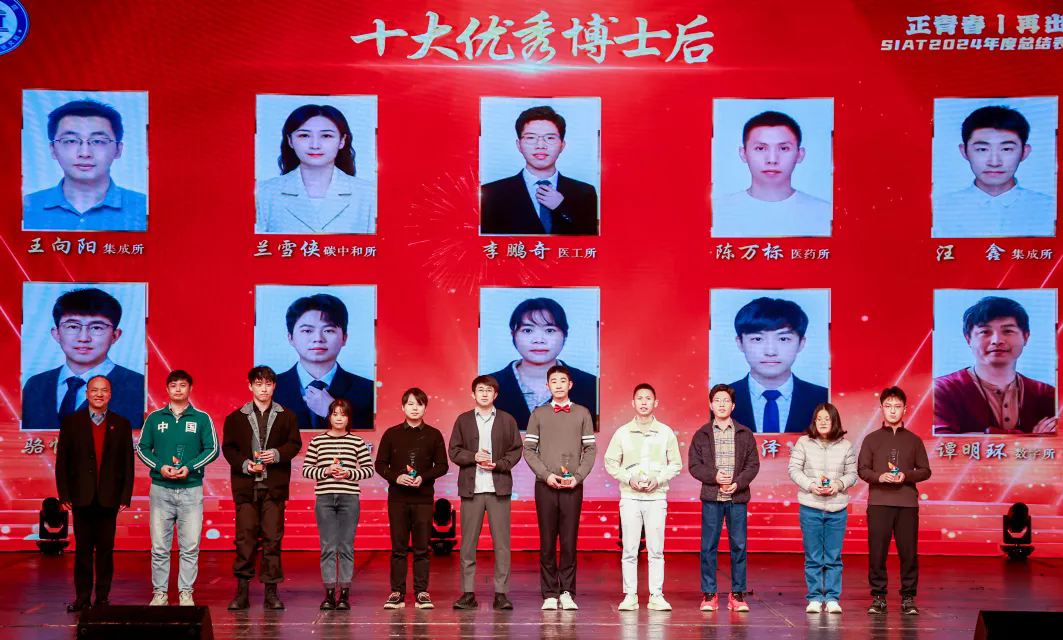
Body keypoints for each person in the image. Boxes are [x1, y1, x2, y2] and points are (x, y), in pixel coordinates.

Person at [221, 366, 303, 611]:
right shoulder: (235, 417)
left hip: (274, 488)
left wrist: (276, 454)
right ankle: (241, 593)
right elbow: (229, 449)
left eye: (268, 384)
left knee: (272, 540)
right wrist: (245, 464)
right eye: (259, 384)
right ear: (250, 386)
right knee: (245, 540)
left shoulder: (287, 416)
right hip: (246, 488)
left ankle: (271, 593)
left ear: (274, 386)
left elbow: (295, 444)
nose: (263, 389)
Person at [136, 370, 219, 607]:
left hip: (191, 490)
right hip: (161, 489)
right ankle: (160, 593)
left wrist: (189, 468)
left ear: (190, 389)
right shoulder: (155, 418)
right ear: (167, 389)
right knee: (159, 547)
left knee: (190, 546)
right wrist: (160, 467)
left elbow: (212, 449)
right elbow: (142, 448)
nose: (178, 389)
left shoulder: (201, 418)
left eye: (183, 385)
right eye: (174, 385)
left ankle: (186, 592)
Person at [54, 375, 134, 611]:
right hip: (81, 496)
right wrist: (64, 494)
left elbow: (127, 463)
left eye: (104, 390)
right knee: (83, 551)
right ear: (87, 393)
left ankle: (102, 597)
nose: (99, 394)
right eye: (95, 390)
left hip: (109, 497)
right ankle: (82, 597)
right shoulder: (72, 422)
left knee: (106, 552)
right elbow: (62, 462)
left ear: (110, 394)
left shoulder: (121, 424)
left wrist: (125, 496)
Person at [603, 383, 682, 611]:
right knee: (630, 549)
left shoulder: (665, 432)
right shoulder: (622, 432)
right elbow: (610, 462)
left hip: (656, 497)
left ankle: (656, 595)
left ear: (655, 403)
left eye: (648, 398)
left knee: (656, 550)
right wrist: (629, 479)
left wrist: (659, 479)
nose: (644, 402)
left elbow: (676, 464)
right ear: (633, 403)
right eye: (640, 398)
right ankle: (630, 595)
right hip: (630, 497)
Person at [523, 365, 596, 611]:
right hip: (545, 486)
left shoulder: (583, 413)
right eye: (553, 381)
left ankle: (566, 592)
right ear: (547, 386)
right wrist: (545, 475)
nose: (558, 385)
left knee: (568, 541)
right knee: (547, 541)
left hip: (572, 486)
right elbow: (529, 450)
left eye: (562, 380)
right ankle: (549, 594)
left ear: (570, 384)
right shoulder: (538, 413)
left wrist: (578, 477)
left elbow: (590, 449)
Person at [448, 375, 524, 611]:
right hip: (471, 490)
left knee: (502, 544)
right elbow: (454, 451)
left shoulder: (507, 420)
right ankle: (468, 593)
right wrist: (473, 457)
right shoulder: (463, 420)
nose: (484, 394)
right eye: (480, 390)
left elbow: (516, 450)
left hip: (498, 489)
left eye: (489, 390)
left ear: (495, 395)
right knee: (468, 544)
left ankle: (501, 594)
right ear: (473, 394)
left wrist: (499, 464)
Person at [22, 287, 145, 430]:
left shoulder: (140, 387)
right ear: (56, 334)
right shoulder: (35, 384)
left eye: (97, 328)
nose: (83, 338)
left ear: (115, 336)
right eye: (72, 327)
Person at [934, 296, 1057, 435]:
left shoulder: (1046, 394)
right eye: (985, 332)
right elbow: (940, 442)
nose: (997, 340)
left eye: (1008, 331)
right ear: (968, 339)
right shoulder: (941, 390)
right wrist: (1032, 438)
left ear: (1026, 337)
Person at [859, 387, 932, 616]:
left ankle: (908, 598)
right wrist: (880, 477)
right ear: (881, 408)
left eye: (897, 406)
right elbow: (862, 469)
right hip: (879, 503)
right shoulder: (871, 439)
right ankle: (878, 597)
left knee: (908, 553)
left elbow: (925, 471)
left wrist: (906, 475)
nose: (892, 410)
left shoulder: (914, 440)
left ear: (905, 409)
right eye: (888, 406)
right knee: (877, 552)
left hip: (907, 504)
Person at [688, 383, 760, 613]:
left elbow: (753, 465)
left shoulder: (744, 433)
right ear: (711, 405)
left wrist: (738, 483)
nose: (721, 404)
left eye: (726, 400)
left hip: (737, 498)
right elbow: (694, 466)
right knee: (708, 546)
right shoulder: (702, 434)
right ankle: (709, 593)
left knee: (739, 545)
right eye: (717, 400)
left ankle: (737, 593)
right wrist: (715, 477)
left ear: (733, 405)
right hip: (712, 497)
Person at [375, 388, 448, 610]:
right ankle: (397, 592)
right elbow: (380, 464)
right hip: (397, 498)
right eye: (410, 404)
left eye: (419, 404)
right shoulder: (391, 434)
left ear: (425, 407)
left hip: (423, 499)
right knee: (398, 548)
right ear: (403, 407)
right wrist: (396, 477)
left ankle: (421, 592)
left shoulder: (434, 434)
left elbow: (442, 466)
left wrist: (423, 478)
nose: (415, 408)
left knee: (422, 548)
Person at [24, 99, 147, 231]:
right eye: (71, 141)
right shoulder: (25, 208)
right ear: (53, 149)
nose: (84, 153)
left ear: (118, 150)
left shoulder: (144, 208)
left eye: (98, 141)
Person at [933, 105, 1054, 237]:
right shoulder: (938, 210)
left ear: (1024, 152)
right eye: (982, 149)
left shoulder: (1051, 209)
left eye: (1006, 149)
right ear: (964, 151)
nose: (994, 162)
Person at [256, 104, 376, 233]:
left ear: (342, 141)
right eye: (304, 135)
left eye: (326, 136)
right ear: (290, 140)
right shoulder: (264, 193)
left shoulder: (369, 194)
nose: (315, 145)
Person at [302, 398, 375, 610]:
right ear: (329, 416)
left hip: (349, 498)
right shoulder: (317, 442)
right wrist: (325, 471)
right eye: (335, 414)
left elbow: (368, 470)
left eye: (343, 414)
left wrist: (349, 473)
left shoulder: (357, 442)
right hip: (324, 498)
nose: (339, 418)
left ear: (348, 418)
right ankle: (328, 594)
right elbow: (306, 470)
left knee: (345, 546)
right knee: (327, 546)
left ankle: (344, 594)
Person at [481, 105, 598, 235]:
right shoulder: (490, 193)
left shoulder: (585, 192)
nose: (540, 145)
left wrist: (562, 207)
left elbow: (592, 239)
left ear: (562, 145)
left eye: (550, 138)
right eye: (531, 138)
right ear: (519, 145)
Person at [712, 110, 831, 237]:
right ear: (743, 154)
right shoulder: (716, 212)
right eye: (760, 148)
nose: (772, 160)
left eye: (784, 148)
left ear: (800, 155)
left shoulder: (825, 214)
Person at [787, 403, 857, 614]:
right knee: (814, 556)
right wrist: (810, 485)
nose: (823, 422)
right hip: (811, 506)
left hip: (837, 507)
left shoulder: (846, 445)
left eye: (827, 419)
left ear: (835, 421)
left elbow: (852, 474)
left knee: (834, 556)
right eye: (820, 419)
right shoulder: (803, 443)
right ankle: (815, 598)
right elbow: (794, 469)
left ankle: (833, 598)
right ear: (814, 422)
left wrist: (838, 485)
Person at [488, 297, 598, 430]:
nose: (539, 340)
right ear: (513, 335)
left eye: (549, 330)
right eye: (528, 330)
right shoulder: (487, 385)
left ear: (565, 335)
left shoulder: (593, 386)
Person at [272, 293, 374, 430]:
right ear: (291, 338)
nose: (318, 338)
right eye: (307, 331)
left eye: (328, 330)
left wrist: (331, 411)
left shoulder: (370, 391)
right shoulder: (269, 389)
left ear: (344, 338)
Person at [727, 297, 828, 433]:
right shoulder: (716, 400)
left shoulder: (825, 399)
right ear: (740, 343)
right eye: (757, 339)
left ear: (801, 343)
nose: (770, 352)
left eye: (783, 339)